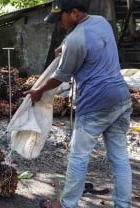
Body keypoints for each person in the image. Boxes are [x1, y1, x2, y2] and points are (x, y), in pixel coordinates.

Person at [27, 0, 133, 207]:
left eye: (61, 18)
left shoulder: (75, 40)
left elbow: (60, 77)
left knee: (78, 157)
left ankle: (67, 204)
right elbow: (88, 45)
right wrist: (65, 47)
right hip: (121, 99)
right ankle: (123, 204)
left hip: (95, 104)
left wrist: (38, 90)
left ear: (74, 12)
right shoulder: (101, 22)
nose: (59, 23)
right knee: (119, 158)